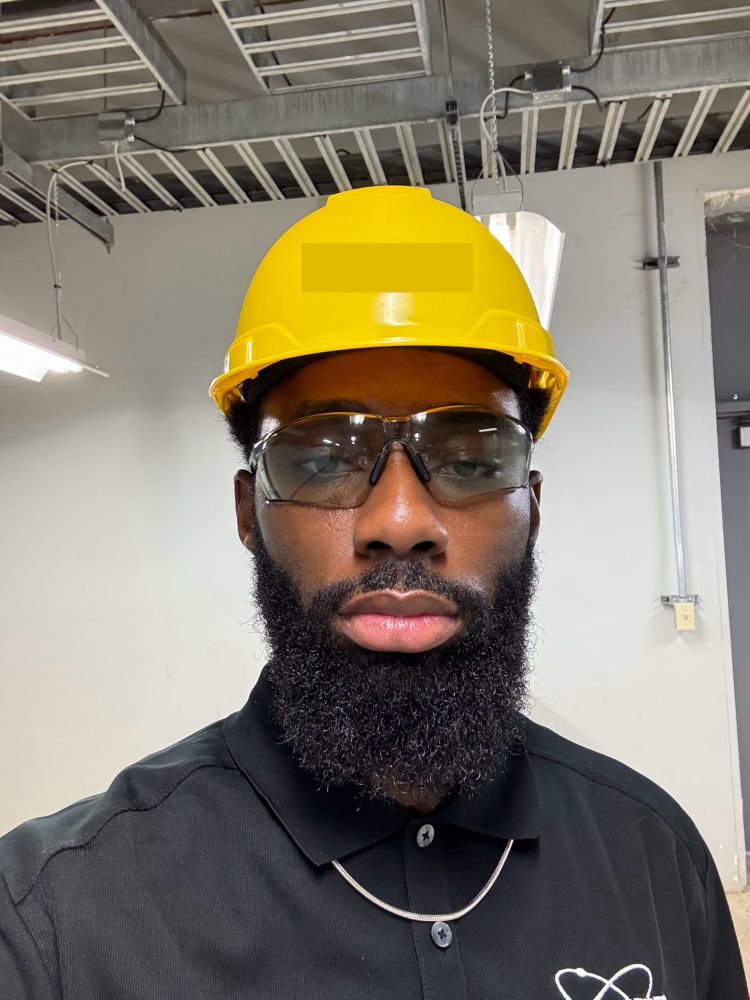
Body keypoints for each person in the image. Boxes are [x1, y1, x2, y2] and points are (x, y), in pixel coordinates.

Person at [0, 186, 745, 1000]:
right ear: (249, 514)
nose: (399, 521)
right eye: (323, 458)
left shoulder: (656, 861)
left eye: (470, 458)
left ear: (532, 509)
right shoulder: (56, 923)